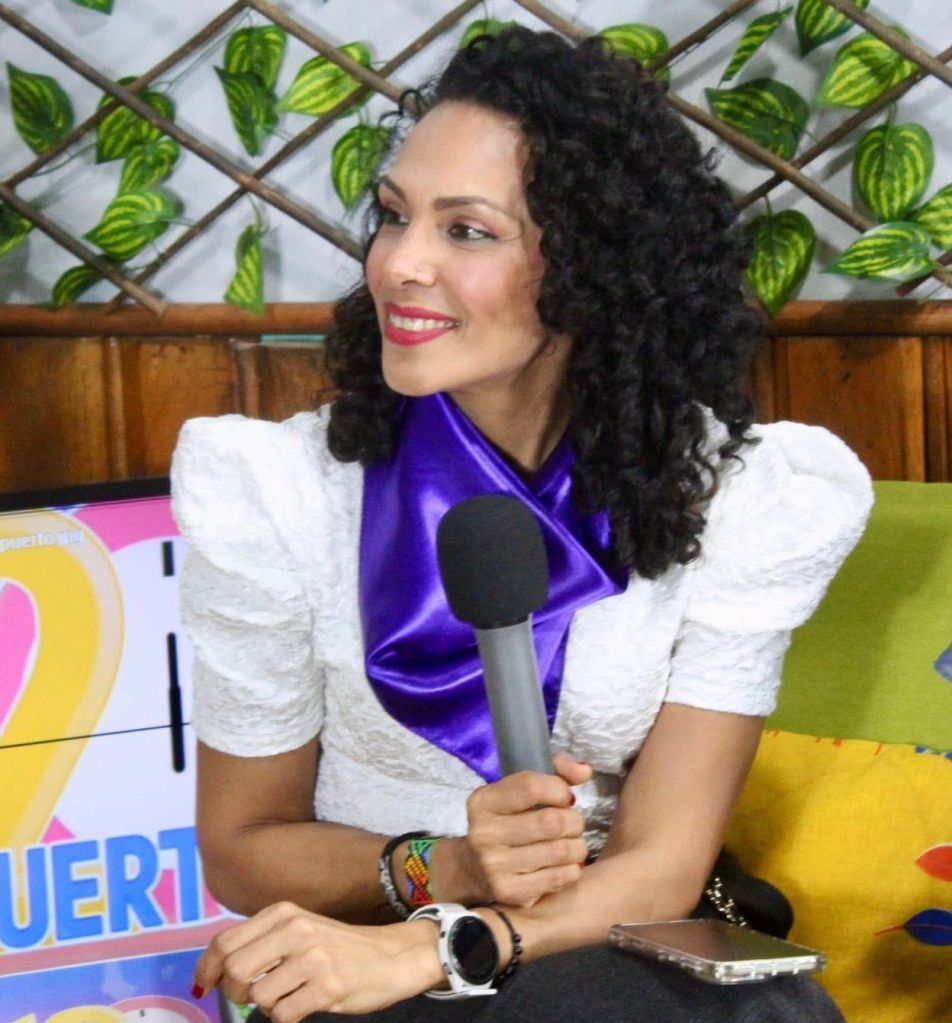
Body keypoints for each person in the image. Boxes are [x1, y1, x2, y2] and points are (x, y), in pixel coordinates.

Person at [171, 26, 871, 1023]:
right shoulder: (279, 491)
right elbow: (242, 849)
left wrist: (447, 944)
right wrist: (450, 867)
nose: (400, 264)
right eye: (394, 216)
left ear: (591, 267)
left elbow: (663, 863)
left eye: (467, 231)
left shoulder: (741, 496)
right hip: (359, 965)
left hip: (606, 952)